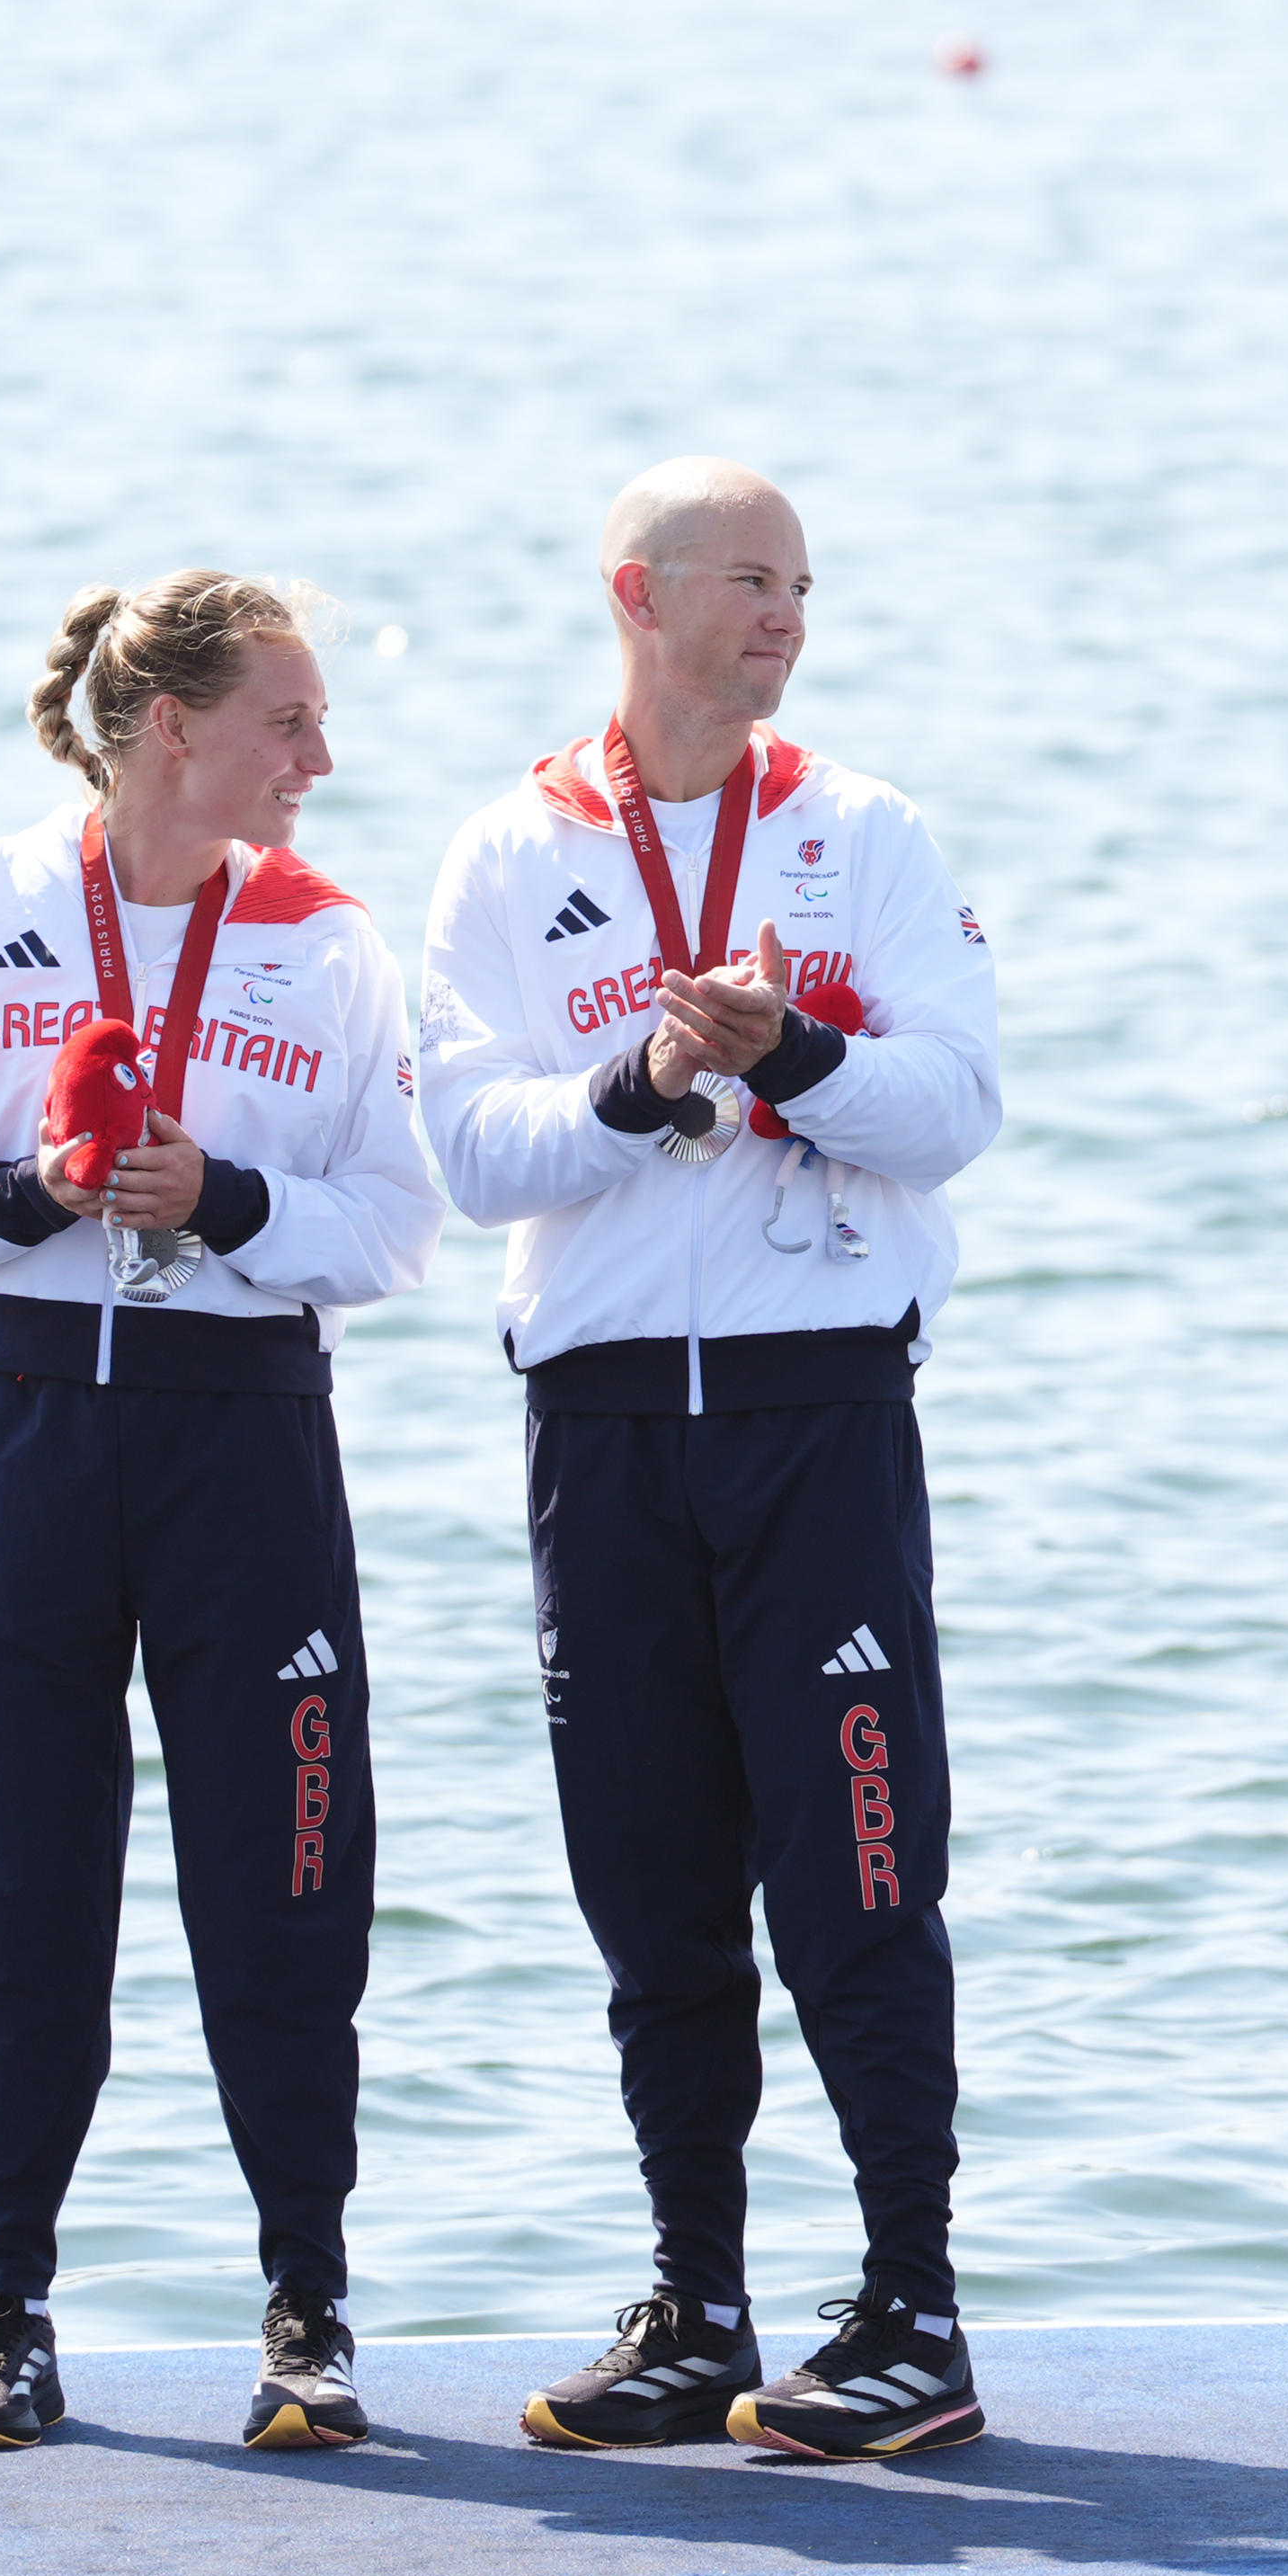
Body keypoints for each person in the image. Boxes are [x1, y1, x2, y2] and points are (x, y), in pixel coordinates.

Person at [417, 459, 1005, 2459]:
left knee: (856, 1876)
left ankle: (912, 2303)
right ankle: (700, 2298)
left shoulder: (864, 833)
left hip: (813, 1410)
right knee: (652, 1890)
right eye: (749, 581)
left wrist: (791, 1060)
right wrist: (649, 1077)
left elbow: (956, 1102)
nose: (786, 617)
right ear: (636, 594)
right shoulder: (510, 850)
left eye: (803, 585)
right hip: (597, 1432)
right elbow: (470, 1147)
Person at [0, 571, 440, 2452]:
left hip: (241, 1448)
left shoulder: (322, 942)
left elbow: (399, 1225)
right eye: (289, 721)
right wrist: (29, 1190)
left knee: (284, 1885)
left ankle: (308, 2311)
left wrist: (226, 1203)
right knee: (21, 1892)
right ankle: (8, 2302)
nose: (320, 758)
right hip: (20, 1436)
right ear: (173, 727)